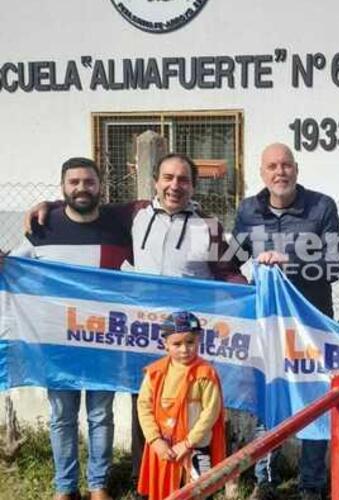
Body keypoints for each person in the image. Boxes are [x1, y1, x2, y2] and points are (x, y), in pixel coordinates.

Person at [27, 153, 245, 497]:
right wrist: (50, 204)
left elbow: (234, 270)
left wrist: (248, 294)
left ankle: (193, 483)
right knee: (146, 407)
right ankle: (146, 481)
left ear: (193, 185)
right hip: (142, 337)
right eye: (168, 178)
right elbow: (84, 201)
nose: (175, 186)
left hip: (188, 340)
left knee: (193, 410)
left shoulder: (212, 226)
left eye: (183, 180)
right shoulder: (133, 214)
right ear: (155, 182)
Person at [11, 157, 133, 500]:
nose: (82, 188)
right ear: (62, 186)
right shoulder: (42, 229)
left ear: (100, 186)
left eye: (88, 182)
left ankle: (98, 485)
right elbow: (15, 269)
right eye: (74, 182)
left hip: (104, 339)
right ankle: (65, 488)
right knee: (62, 417)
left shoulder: (119, 228)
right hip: (57, 343)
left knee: (100, 415)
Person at [233, 142, 339, 500]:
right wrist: (253, 270)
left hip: (312, 327)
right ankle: (264, 481)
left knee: (315, 400)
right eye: (272, 167)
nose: (279, 172)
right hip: (266, 327)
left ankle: (311, 485)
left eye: (286, 165)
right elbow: (233, 261)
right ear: (261, 173)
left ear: (296, 169)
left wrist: (290, 265)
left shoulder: (322, 207)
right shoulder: (247, 210)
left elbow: (337, 265)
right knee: (270, 401)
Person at [136, 311, 226, 500]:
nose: (184, 349)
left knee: (199, 492)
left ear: (198, 340)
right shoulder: (155, 373)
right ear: (165, 345)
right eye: (177, 344)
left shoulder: (205, 373)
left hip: (196, 447)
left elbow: (211, 412)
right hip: (164, 447)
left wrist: (188, 443)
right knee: (162, 492)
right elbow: (144, 407)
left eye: (190, 342)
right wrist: (155, 441)